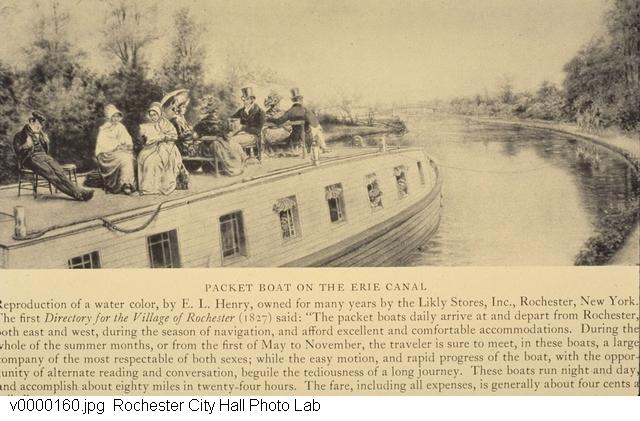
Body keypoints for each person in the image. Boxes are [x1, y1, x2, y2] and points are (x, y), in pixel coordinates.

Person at [13, 111, 94, 201]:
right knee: (51, 175)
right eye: (38, 123)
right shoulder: (20, 135)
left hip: (44, 156)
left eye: (41, 124)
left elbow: (45, 150)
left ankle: (80, 191)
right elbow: (17, 151)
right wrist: (26, 145)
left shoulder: (41, 134)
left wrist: (46, 142)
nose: (40, 126)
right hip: (30, 158)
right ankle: (76, 194)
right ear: (31, 122)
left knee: (60, 172)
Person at [137, 102, 186, 195]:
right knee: (143, 158)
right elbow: (145, 139)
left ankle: (158, 187)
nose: (153, 117)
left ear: (159, 114)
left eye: (154, 115)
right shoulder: (148, 126)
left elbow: (174, 136)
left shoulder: (166, 123)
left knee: (154, 161)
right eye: (151, 115)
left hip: (167, 147)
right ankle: (147, 187)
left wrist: (162, 137)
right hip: (151, 147)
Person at [194, 95, 246, 176]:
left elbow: (196, 135)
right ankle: (234, 167)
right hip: (214, 146)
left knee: (230, 146)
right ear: (215, 111)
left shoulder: (201, 123)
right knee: (230, 147)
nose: (217, 112)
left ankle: (218, 168)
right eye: (216, 110)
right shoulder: (217, 123)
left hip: (206, 147)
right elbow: (225, 135)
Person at [267, 88, 329, 153]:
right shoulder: (305, 110)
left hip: (295, 137)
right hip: (307, 138)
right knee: (318, 128)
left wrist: (269, 119)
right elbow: (315, 124)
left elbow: (278, 121)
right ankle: (324, 147)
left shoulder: (290, 111)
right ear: (300, 99)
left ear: (293, 100)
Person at [95, 104, 136, 195]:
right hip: (106, 154)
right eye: (114, 116)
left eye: (117, 116)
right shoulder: (104, 128)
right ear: (110, 117)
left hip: (119, 151)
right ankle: (123, 184)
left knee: (128, 157)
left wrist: (126, 144)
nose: (116, 118)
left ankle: (127, 183)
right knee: (124, 158)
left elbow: (127, 138)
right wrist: (116, 145)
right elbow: (102, 144)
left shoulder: (120, 127)